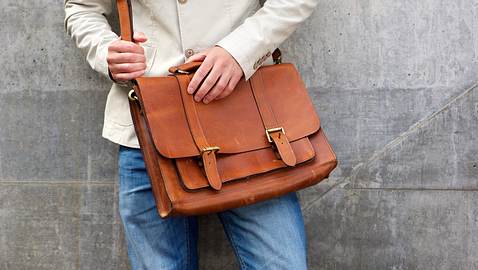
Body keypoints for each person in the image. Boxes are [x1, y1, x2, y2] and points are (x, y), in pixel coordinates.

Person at [65, 0, 319, 269]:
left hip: (249, 129)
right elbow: (83, 7)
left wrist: (238, 52)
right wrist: (106, 51)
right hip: (148, 129)